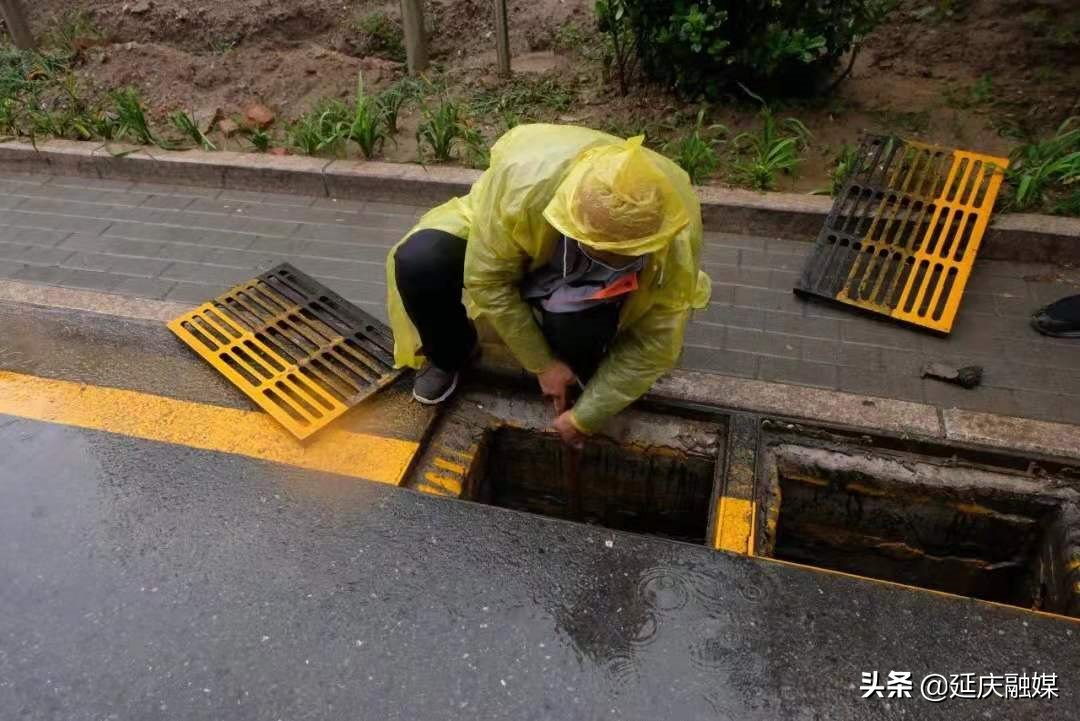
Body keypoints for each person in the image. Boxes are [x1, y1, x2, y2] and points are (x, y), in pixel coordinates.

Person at [385, 124, 711, 448]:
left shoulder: (673, 237)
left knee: (577, 329)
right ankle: (450, 354)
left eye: (621, 255)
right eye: (600, 250)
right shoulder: (526, 184)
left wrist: (587, 415)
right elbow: (488, 278)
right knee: (421, 263)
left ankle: (580, 364)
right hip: (504, 234)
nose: (609, 258)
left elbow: (654, 344)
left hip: (582, 283)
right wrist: (542, 363)